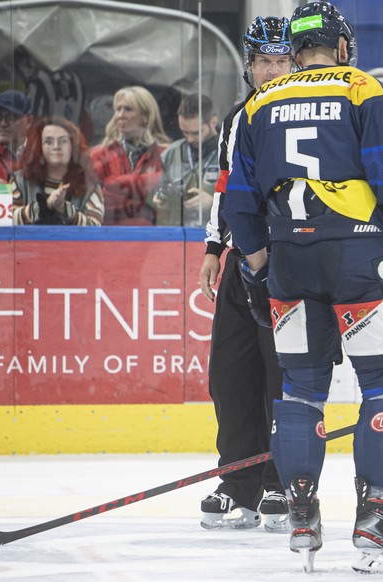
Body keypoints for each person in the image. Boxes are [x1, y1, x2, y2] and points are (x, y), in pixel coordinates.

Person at [221, 1, 383, 573]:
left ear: (293, 52)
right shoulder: (361, 88)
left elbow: (238, 199)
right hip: (357, 256)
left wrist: (262, 264)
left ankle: (300, 512)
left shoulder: (261, 101)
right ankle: (375, 517)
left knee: (300, 388)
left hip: (289, 260)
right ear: (341, 47)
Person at [197, 15, 293, 533]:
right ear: (249, 66)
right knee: (230, 376)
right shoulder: (238, 116)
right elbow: (225, 186)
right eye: (264, 62)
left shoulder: (313, 113)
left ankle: (283, 479)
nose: (272, 70)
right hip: (241, 260)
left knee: (282, 376)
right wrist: (215, 245)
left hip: (291, 261)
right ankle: (240, 481)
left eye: (282, 60)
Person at [88, 86, 169, 225]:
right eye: (118, 109)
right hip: (109, 238)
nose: (120, 115)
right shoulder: (98, 154)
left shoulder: (167, 154)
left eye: (128, 109)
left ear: (145, 117)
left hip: (156, 238)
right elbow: (97, 201)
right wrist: (148, 184)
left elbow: (167, 201)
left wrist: (114, 184)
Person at [11, 116, 103, 225]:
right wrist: (44, 206)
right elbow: (8, 221)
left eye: (63, 141)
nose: (56, 146)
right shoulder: (20, 180)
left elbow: (95, 227)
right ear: (39, 146)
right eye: (48, 141)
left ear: (73, 145)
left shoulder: (90, 185)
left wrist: (64, 209)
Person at [152, 94, 219, 226]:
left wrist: (213, 202)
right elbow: (154, 194)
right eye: (184, 132)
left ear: (213, 122)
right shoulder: (172, 153)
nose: (189, 139)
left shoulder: (231, 152)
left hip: (218, 237)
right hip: (177, 235)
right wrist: (161, 196)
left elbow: (247, 200)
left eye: (196, 133)